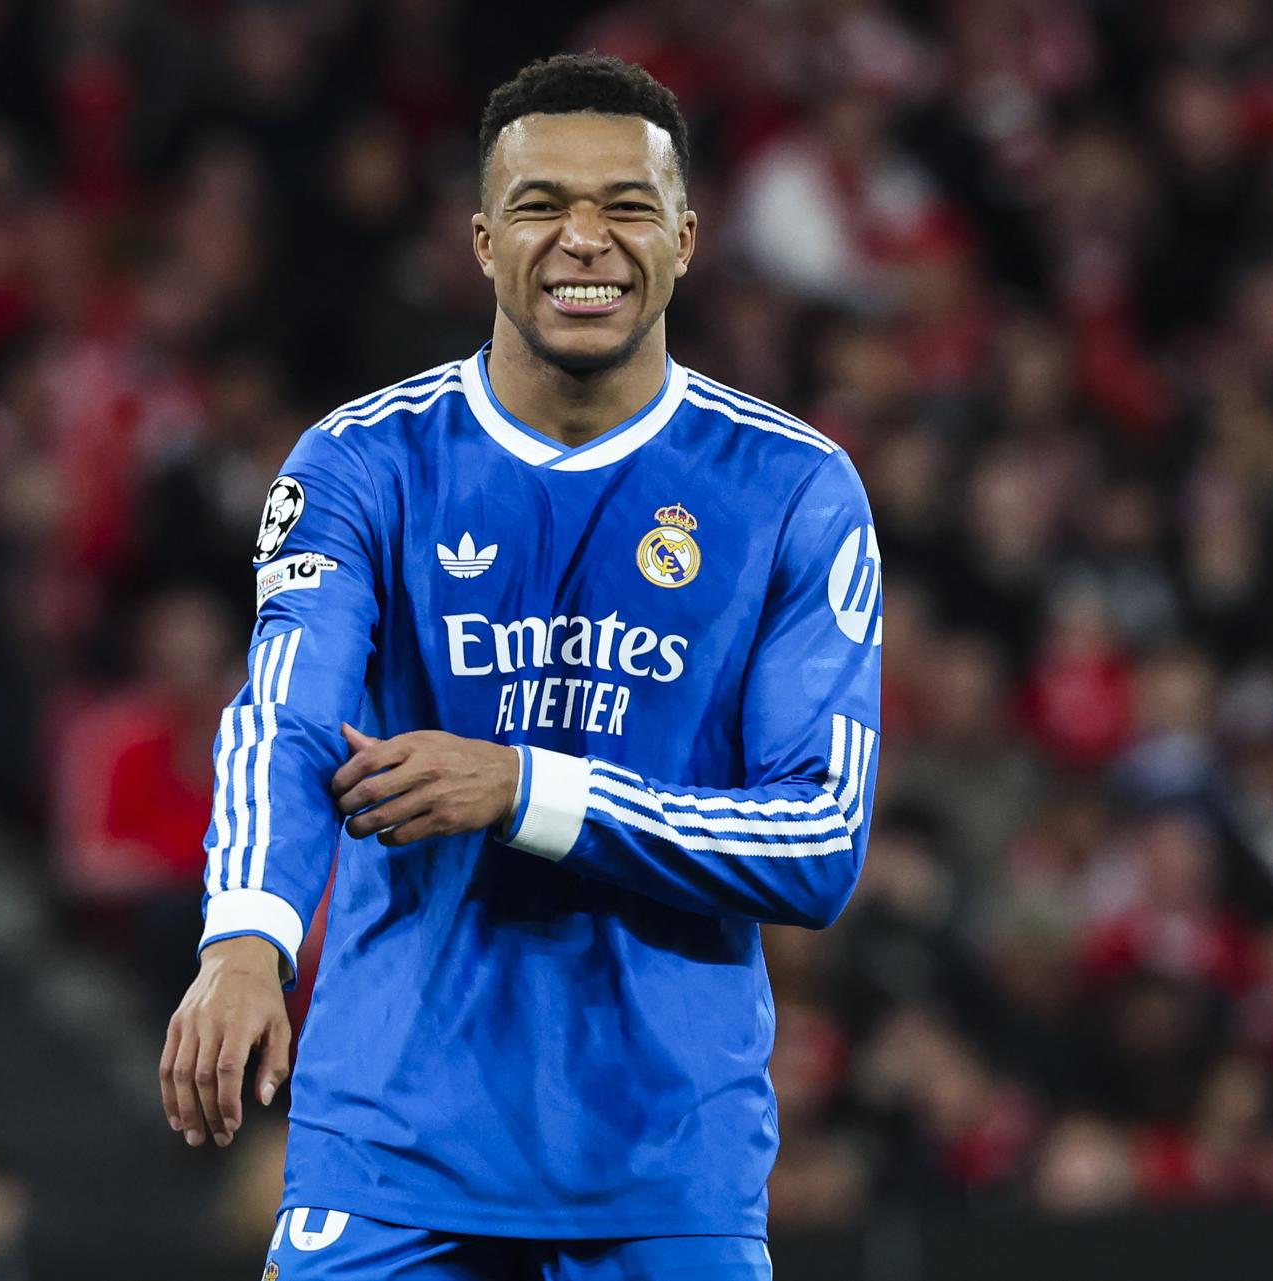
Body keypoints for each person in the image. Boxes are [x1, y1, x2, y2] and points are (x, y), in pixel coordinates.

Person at [159, 53, 883, 1280]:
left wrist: (524, 790)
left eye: (627, 207)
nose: (584, 241)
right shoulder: (364, 463)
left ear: (689, 239)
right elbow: (286, 710)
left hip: (664, 1166)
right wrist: (244, 938)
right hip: (389, 1146)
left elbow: (816, 841)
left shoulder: (793, 487)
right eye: (543, 206)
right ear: (485, 241)